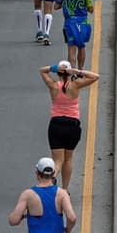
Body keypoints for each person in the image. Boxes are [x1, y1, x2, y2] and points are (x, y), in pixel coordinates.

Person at [40, 61, 99, 190]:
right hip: (72, 125)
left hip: (56, 124)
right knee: (68, 158)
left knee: (57, 161)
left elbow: (42, 70)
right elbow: (95, 76)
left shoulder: (53, 86)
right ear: (69, 71)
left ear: (59, 72)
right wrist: (78, 72)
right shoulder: (75, 85)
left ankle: (49, 182)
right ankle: (65, 189)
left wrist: (53, 67)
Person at [9, 157, 76, 233]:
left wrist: (24, 215)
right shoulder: (62, 194)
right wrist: (68, 229)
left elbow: (13, 221)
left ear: (37, 173)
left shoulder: (28, 194)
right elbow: (72, 218)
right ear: (53, 173)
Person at [56, 0, 94, 71]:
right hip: (82, 22)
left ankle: (72, 70)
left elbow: (56, 6)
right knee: (81, 46)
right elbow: (91, 10)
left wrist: (67, 3)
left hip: (69, 23)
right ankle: (80, 70)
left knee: (71, 48)